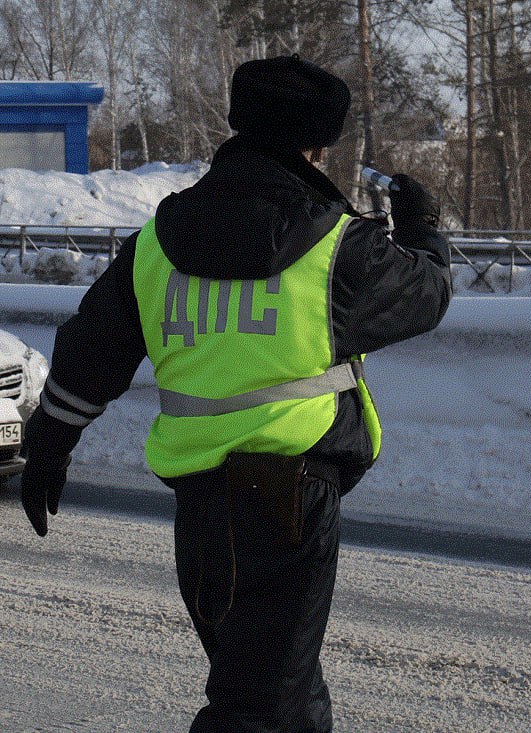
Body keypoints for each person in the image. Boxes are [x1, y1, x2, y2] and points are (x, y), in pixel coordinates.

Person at [18, 55, 451, 732]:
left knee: (285, 694)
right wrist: (425, 232)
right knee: (259, 709)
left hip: (200, 509)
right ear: (315, 146)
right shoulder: (339, 246)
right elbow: (427, 296)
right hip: (291, 503)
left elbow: (89, 353)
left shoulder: (157, 241)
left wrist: (49, 443)